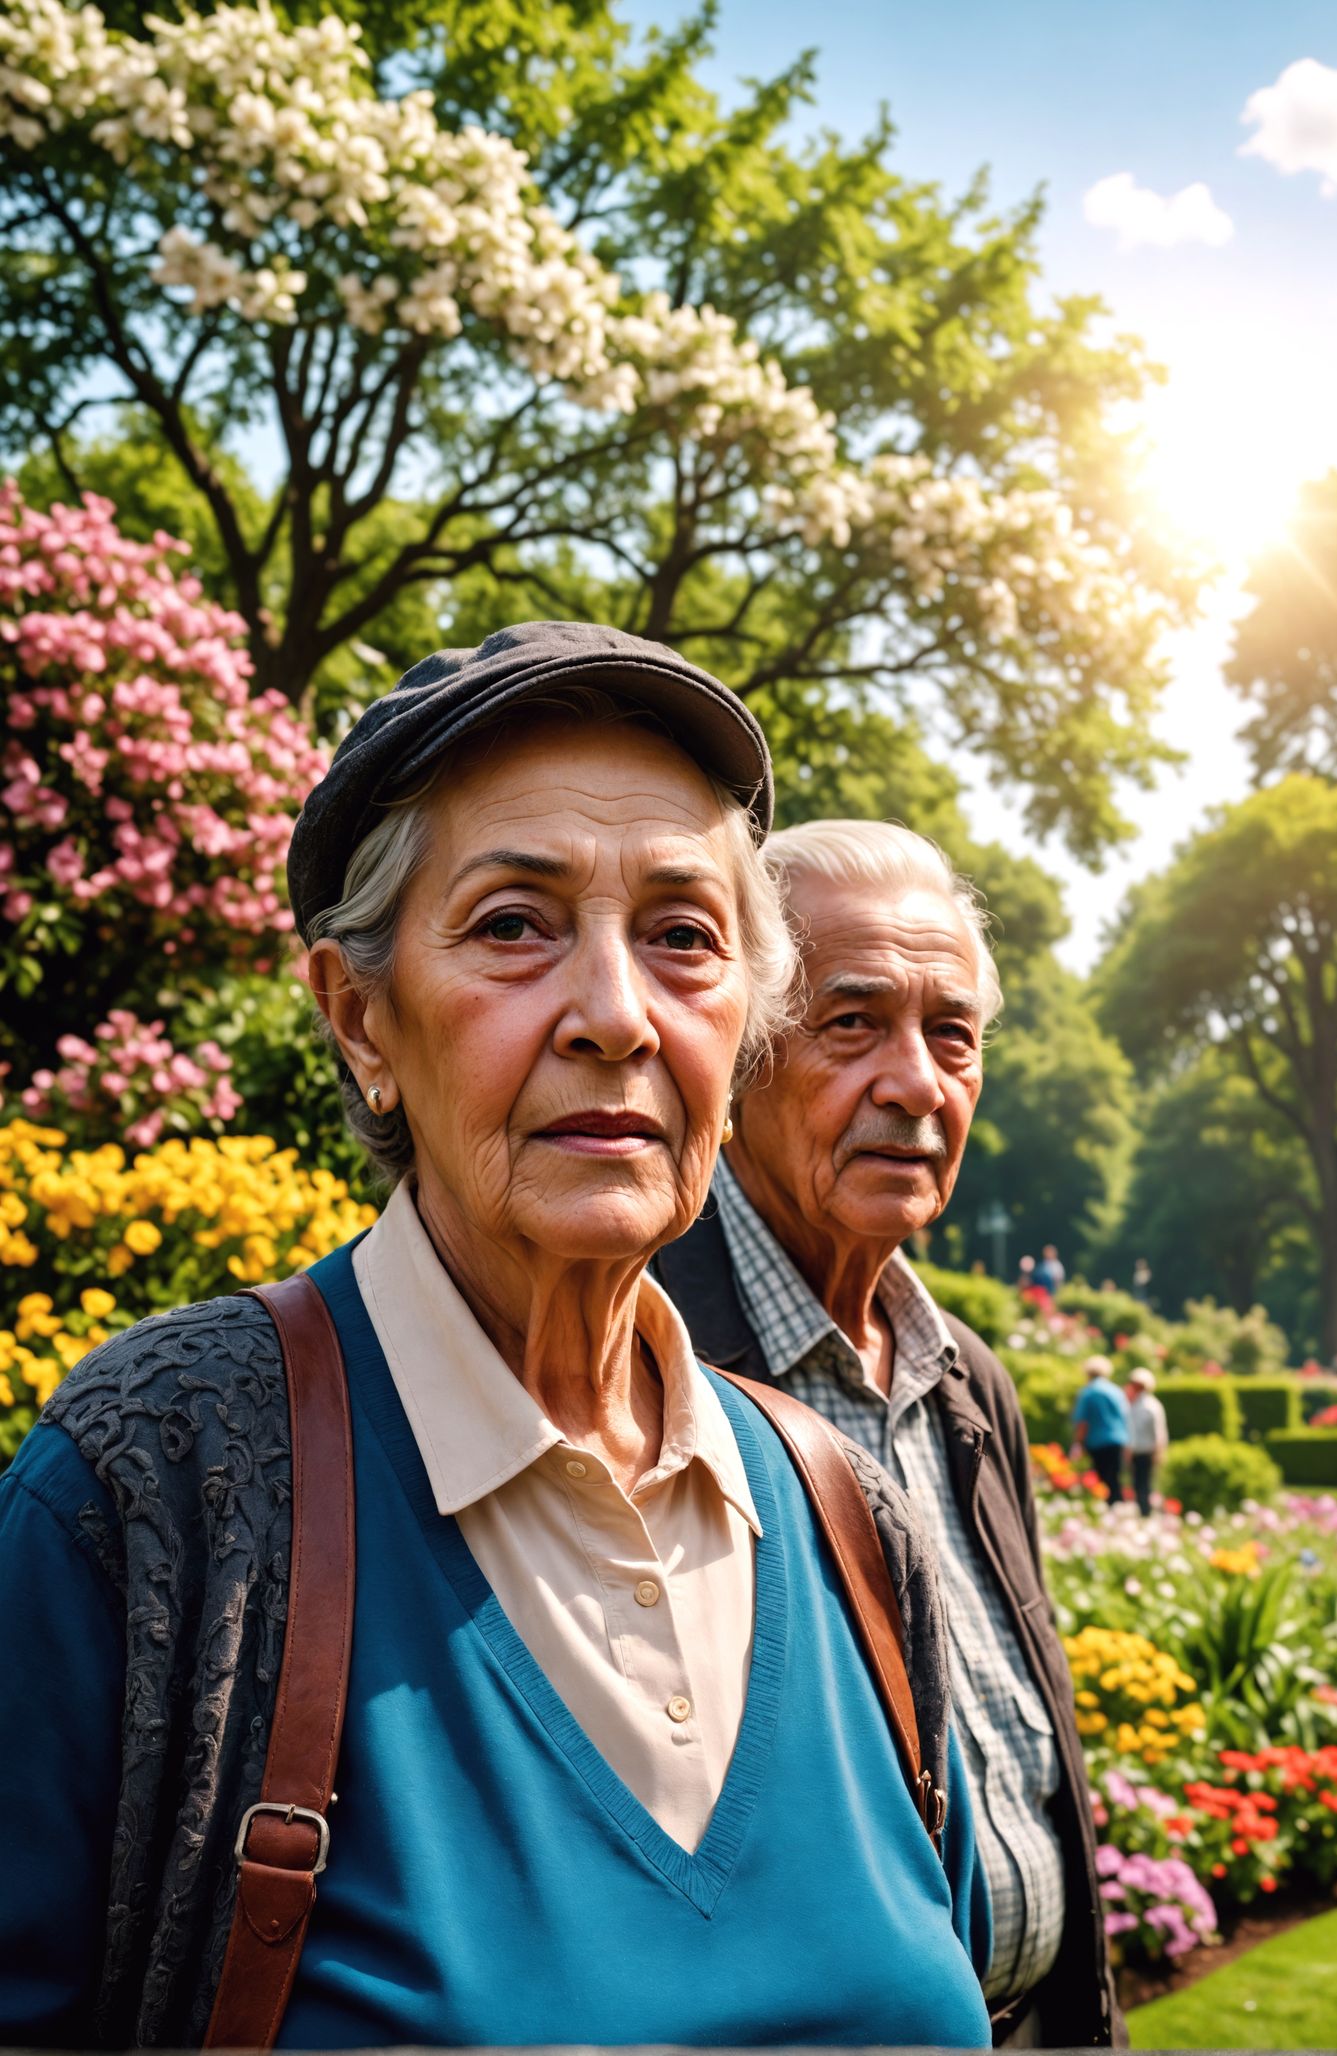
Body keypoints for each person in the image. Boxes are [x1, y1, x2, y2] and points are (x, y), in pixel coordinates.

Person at [0, 626, 992, 2052]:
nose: (614, 1015)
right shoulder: (149, 1482)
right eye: (515, 924)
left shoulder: (846, 1519)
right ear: (362, 1021)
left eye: (683, 937)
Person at [654, 819, 1120, 2050]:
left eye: (950, 1033)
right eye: (851, 1022)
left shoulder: (971, 1377)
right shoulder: (640, 1363)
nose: (916, 1082)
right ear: (738, 1044)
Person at [1070, 1357, 1130, 1504]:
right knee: (1115, 1479)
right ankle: (1118, 1510)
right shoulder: (1116, 1391)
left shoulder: (1088, 1392)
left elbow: (1082, 1422)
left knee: (1100, 1481)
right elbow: (1125, 1417)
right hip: (1117, 1440)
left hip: (1097, 1442)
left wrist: (1078, 1443)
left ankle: (1105, 1510)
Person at [1124, 1368, 1168, 1517]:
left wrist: (1158, 1452)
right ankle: (1143, 1511)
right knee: (1138, 1485)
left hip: (1147, 1451)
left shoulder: (1150, 1406)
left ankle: (1147, 1512)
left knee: (1145, 1485)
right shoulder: (1135, 1404)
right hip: (1138, 1451)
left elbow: (1158, 1433)